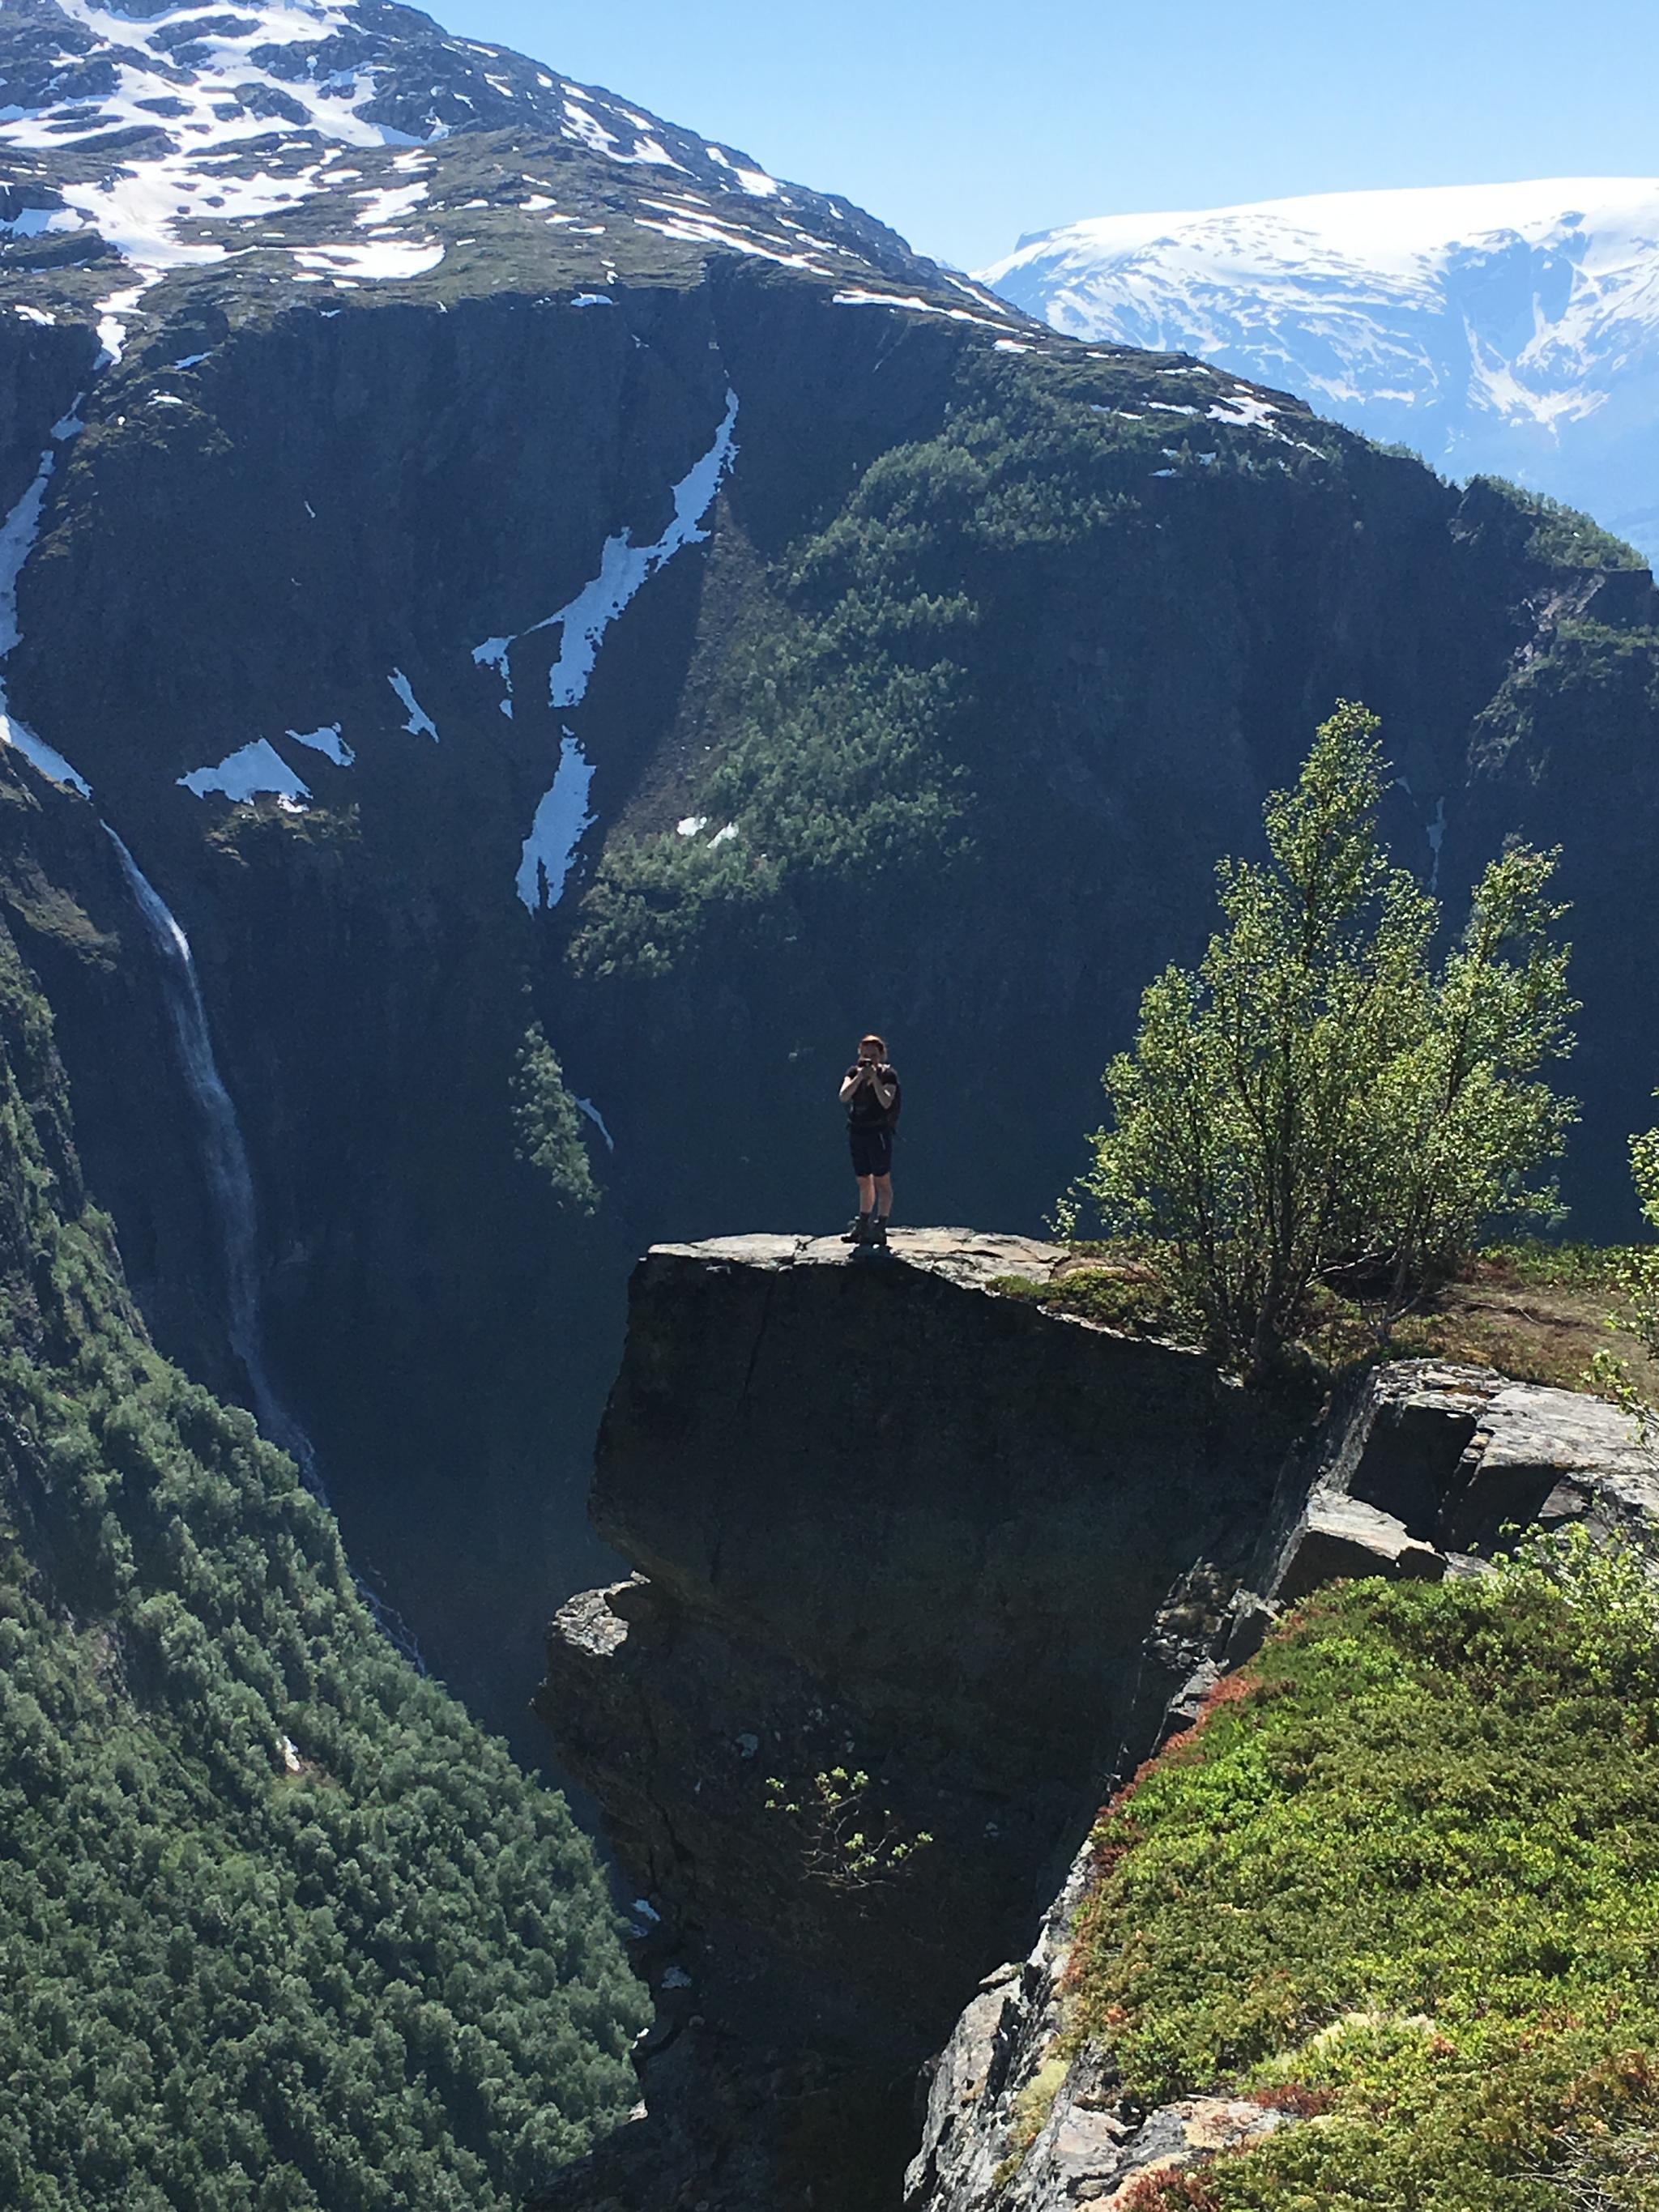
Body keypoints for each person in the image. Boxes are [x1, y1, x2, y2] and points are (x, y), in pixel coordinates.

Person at [839, 1033, 899, 1247]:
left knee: (882, 1180)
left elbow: (886, 1102)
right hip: (858, 1132)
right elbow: (844, 1096)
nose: (869, 1060)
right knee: (863, 1179)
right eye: (865, 1055)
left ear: (881, 1056)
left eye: (873, 1056)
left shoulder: (888, 1076)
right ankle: (863, 1224)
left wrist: (874, 1079)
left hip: (878, 1133)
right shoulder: (853, 1073)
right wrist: (859, 1078)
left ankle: (880, 1226)